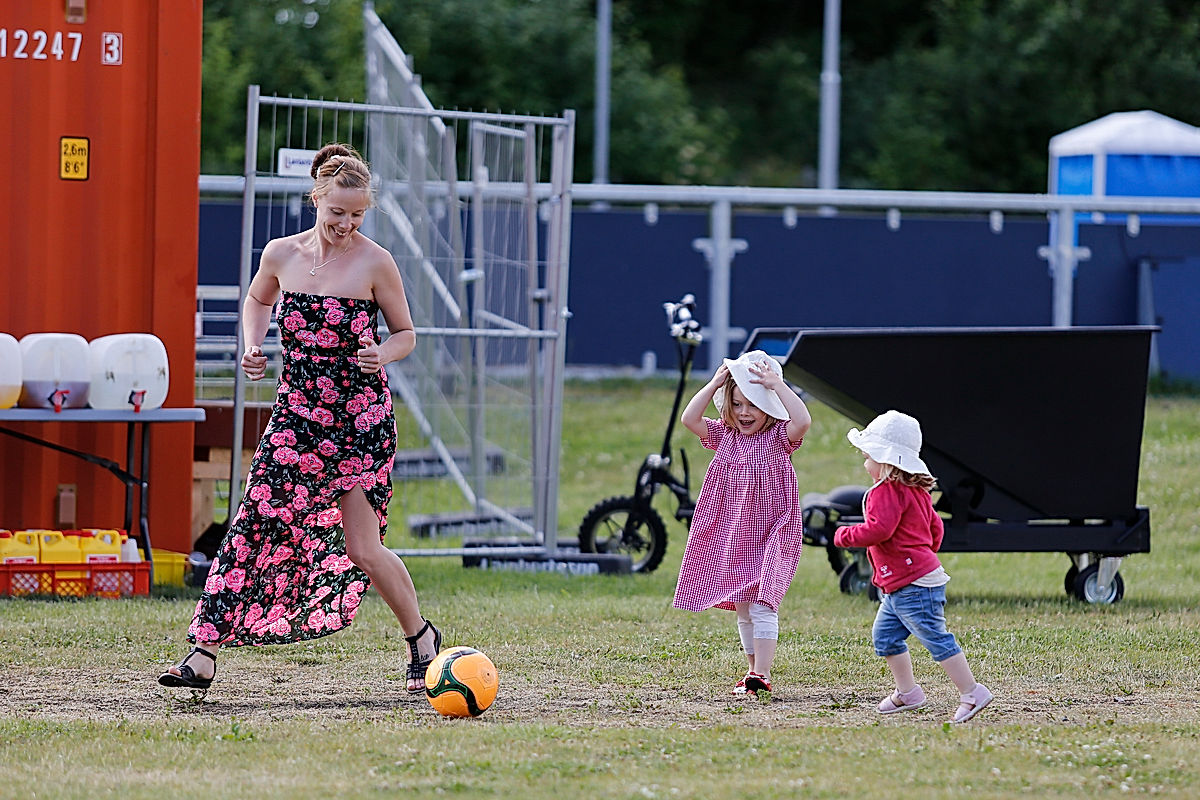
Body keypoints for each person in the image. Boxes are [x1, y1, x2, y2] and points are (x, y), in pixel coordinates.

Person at [160, 143, 441, 695]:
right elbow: (256, 301)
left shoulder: (376, 262)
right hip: (296, 416)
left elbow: (406, 334)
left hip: (360, 420)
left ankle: (421, 638)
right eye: (337, 211)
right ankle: (202, 653)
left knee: (362, 549)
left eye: (357, 214)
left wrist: (381, 354)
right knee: (252, 523)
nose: (346, 224)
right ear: (316, 198)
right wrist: (253, 344)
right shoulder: (281, 254)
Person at [833, 410, 994, 723]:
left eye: (868, 457)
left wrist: (843, 535)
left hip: (914, 582)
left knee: (936, 637)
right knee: (885, 637)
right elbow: (936, 528)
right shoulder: (917, 491)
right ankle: (908, 693)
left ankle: (972, 692)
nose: (865, 464)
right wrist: (924, 552)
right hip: (905, 581)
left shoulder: (884, 492)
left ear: (885, 460)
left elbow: (880, 530)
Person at [672, 350, 812, 696]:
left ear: (770, 407)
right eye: (736, 404)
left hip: (773, 531)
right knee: (745, 607)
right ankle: (752, 671)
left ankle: (762, 673)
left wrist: (777, 385)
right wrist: (716, 382)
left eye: (753, 404)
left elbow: (803, 421)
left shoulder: (779, 438)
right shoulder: (725, 436)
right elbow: (689, 419)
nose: (744, 412)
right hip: (735, 533)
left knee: (764, 601)